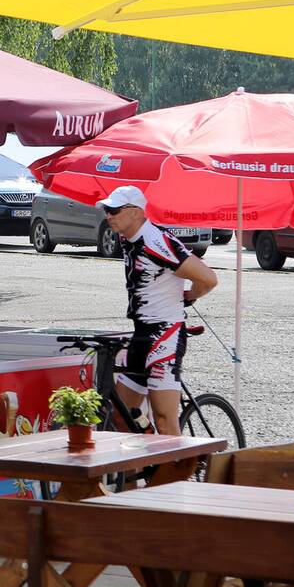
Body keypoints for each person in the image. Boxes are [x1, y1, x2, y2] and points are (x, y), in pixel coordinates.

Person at [101, 186, 217, 436]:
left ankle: (177, 461)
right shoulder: (127, 239)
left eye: (114, 210)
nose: (108, 215)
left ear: (136, 212)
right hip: (141, 334)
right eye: (106, 210)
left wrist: (190, 295)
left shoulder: (157, 240)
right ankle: (143, 456)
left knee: (164, 420)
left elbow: (208, 278)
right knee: (121, 417)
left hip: (165, 334)